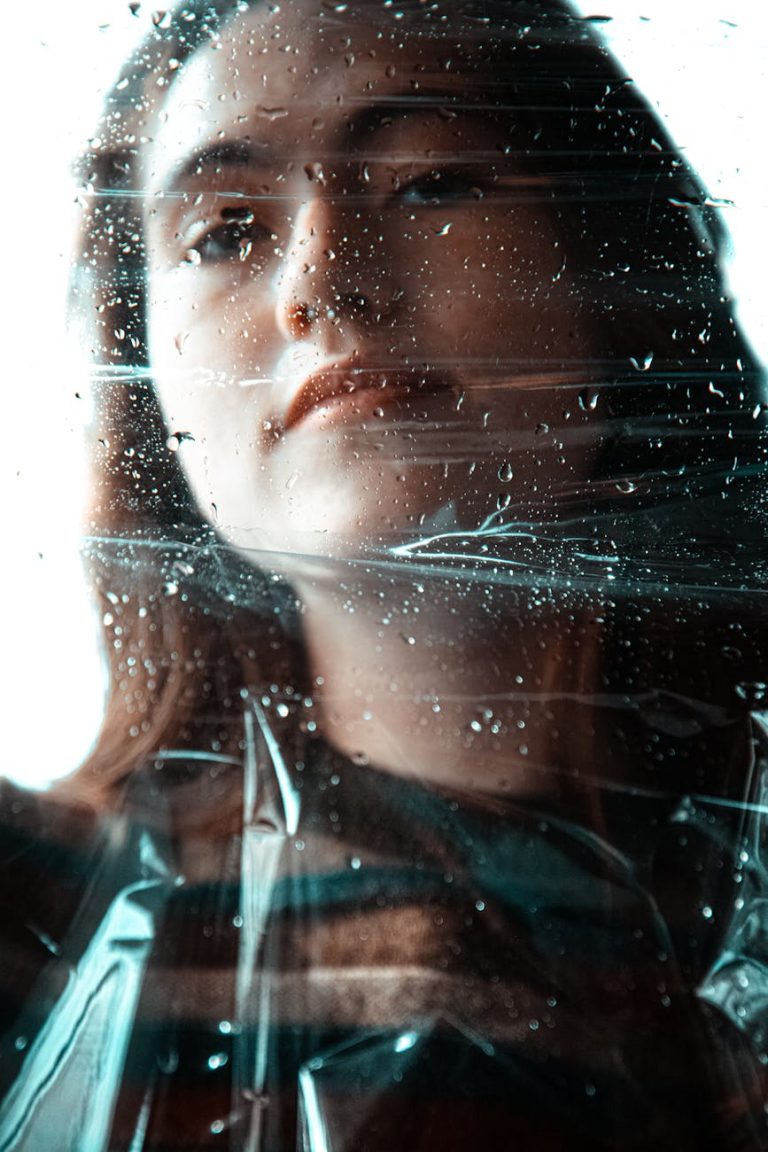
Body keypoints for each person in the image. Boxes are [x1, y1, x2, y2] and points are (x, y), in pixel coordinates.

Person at [1, 1, 767, 1149]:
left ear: (615, 271)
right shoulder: (36, 917)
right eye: (221, 232)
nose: (321, 279)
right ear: (145, 384)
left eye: (432, 183)